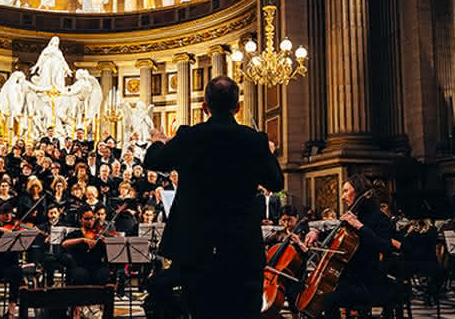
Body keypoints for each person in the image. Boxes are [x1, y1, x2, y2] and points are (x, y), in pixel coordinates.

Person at [144, 76, 283, 318]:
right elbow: (276, 182)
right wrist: (265, 155)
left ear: (205, 107)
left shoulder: (189, 137)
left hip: (197, 249)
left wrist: (158, 142)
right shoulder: (254, 139)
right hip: (242, 247)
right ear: (238, 107)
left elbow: (153, 161)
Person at [304, 174, 394, 318]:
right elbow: (335, 234)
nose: (342, 196)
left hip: (369, 281)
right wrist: (316, 232)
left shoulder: (379, 218)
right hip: (348, 278)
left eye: (346, 191)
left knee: (328, 301)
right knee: (309, 294)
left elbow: (385, 247)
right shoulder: (351, 216)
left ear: (359, 192)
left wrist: (359, 226)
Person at [61, 207, 109, 285]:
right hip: (79, 266)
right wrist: (82, 239)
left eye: (92, 218)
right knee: (81, 275)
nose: (90, 221)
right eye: (87, 219)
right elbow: (64, 244)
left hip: (97, 266)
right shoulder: (75, 234)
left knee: (104, 273)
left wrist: (105, 242)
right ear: (80, 220)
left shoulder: (98, 235)